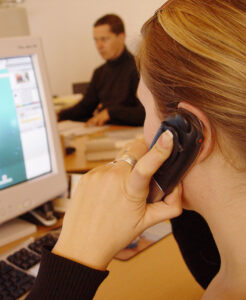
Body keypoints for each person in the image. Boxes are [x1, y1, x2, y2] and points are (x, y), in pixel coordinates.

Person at [27, 0, 246, 299]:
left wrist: (73, 257)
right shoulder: (218, 265)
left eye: (146, 110)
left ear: (188, 130)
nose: (144, 138)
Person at [58, 14, 145, 126]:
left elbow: (144, 113)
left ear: (121, 37)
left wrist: (111, 113)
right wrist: (59, 115)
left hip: (129, 135)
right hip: (107, 132)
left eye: (104, 39)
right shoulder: (99, 73)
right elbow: (85, 107)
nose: (99, 46)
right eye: (96, 40)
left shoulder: (139, 68)